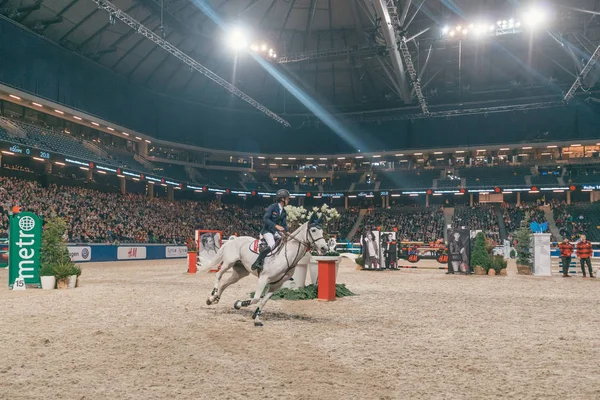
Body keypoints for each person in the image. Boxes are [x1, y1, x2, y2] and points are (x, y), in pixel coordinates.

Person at [251, 189, 290, 272]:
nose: (288, 200)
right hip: (267, 231)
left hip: (275, 232)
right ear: (282, 199)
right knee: (272, 244)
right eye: (287, 198)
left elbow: (284, 225)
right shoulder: (272, 207)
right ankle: (258, 262)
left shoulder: (284, 211)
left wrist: (287, 231)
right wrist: (276, 226)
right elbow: (265, 218)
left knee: (284, 242)